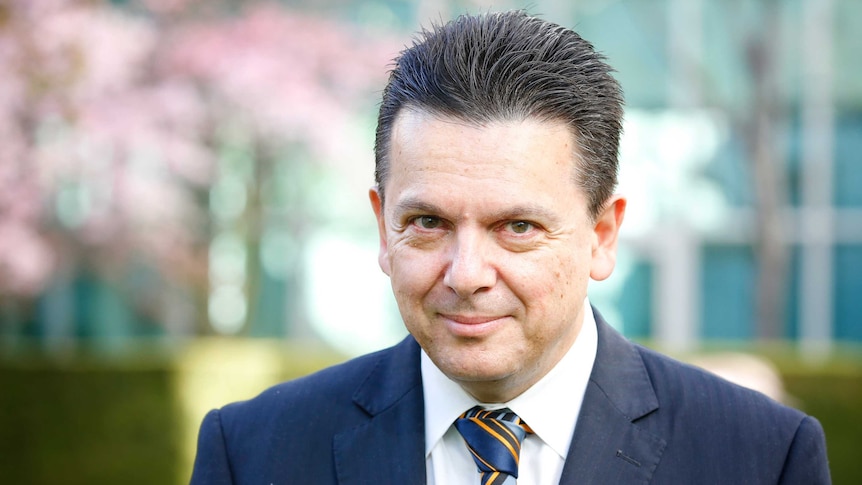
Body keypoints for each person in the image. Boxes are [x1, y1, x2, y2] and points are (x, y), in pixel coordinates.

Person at [190, 10, 830, 484]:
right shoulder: (250, 452)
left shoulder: (762, 457)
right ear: (383, 226)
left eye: (517, 227)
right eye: (428, 222)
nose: (466, 274)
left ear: (602, 235)